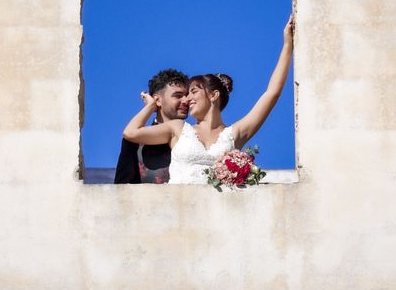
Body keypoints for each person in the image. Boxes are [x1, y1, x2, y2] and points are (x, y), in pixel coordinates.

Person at [123, 15, 294, 184]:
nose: (187, 99)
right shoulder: (178, 128)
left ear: (213, 95)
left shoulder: (235, 134)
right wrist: (151, 106)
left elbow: (272, 94)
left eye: (194, 91)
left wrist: (287, 45)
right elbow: (130, 133)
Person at [114, 68, 189, 183]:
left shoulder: (193, 137)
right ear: (158, 100)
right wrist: (150, 106)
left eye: (187, 95)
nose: (186, 100)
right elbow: (121, 188)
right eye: (178, 96)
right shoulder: (135, 140)